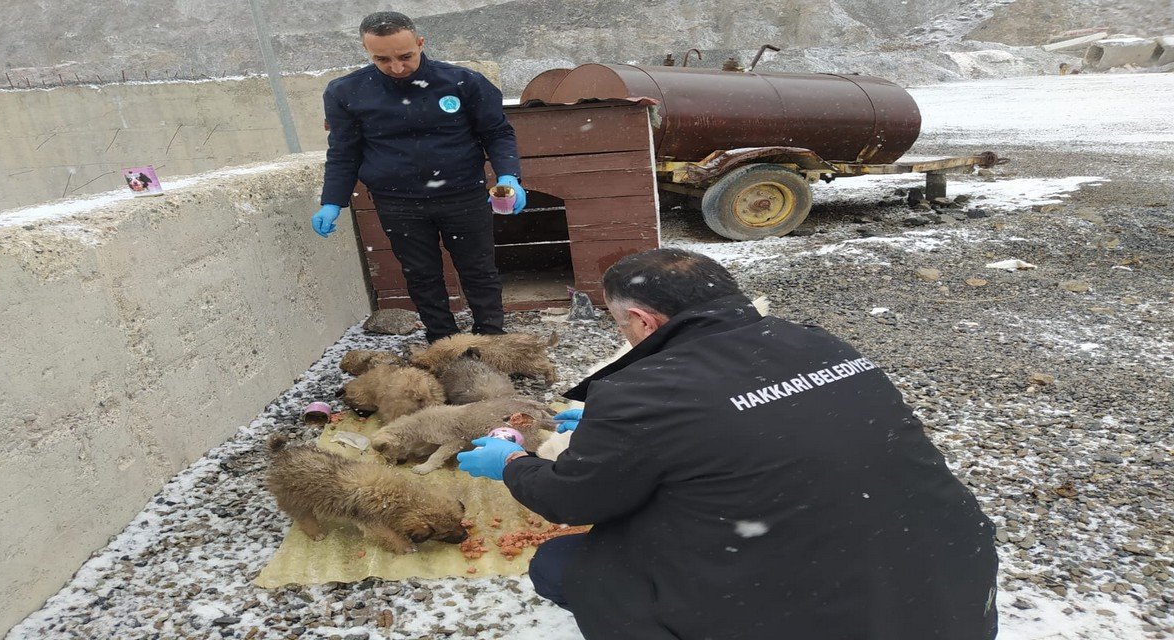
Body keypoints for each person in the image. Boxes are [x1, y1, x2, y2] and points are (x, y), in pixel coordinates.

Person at [458, 248, 999, 640]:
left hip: (805, 613)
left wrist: (512, 462)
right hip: (948, 589)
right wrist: (607, 425)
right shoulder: (816, 342)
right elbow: (750, 418)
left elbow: (575, 500)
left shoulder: (640, 391)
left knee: (562, 563)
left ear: (642, 320)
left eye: (621, 323)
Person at [312, 11, 525, 342]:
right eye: (383, 59)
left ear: (420, 43)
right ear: (367, 51)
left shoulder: (463, 82)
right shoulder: (347, 92)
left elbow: (497, 133)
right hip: (398, 202)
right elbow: (344, 152)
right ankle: (442, 341)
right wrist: (332, 202)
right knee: (422, 275)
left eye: (405, 56)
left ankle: (491, 338)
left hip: (463, 195)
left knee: (478, 270)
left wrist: (509, 176)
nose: (397, 67)